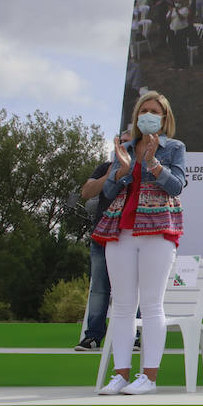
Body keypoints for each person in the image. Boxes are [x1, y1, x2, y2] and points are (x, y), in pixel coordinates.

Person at [91, 92, 187, 395]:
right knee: (121, 305)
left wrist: (154, 164)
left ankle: (149, 377)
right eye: (143, 111)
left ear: (164, 117)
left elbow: (177, 186)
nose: (148, 115)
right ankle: (120, 374)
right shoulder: (125, 147)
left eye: (154, 111)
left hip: (157, 228)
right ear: (136, 117)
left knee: (151, 304)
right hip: (121, 228)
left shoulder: (174, 147)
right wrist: (120, 170)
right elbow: (107, 189)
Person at [73, 132, 129, 351]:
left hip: (130, 236)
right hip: (102, 236)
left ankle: (133, 336)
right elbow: (87, 192)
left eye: (129, 141)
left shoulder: (143, 170)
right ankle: (93, 337)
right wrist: (110, 175)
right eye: (121, 141)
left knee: (133, 287)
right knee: (99, 288)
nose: (125, 145)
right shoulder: (103, 167)